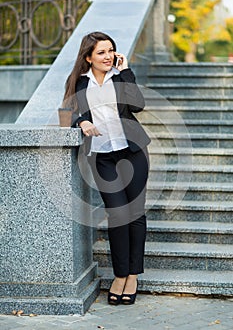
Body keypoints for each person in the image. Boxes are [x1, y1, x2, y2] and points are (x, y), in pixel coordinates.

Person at [63, 31, 150, 305]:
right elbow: (67, 112)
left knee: (134, 213)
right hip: (104, 157)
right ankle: (119, 273)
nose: (107, 56)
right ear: (88, 57)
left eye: (111, 50)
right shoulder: (78, 82)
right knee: (117, 215)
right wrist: (81, 123)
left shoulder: (120, 76)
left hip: (133, 152)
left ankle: (131, 276)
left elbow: (138, 105)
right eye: (101, 52)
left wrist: (126, 72)